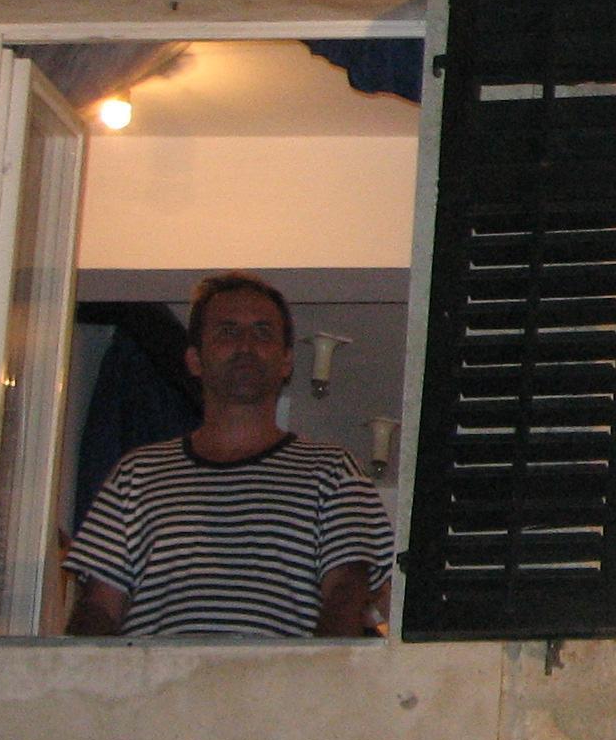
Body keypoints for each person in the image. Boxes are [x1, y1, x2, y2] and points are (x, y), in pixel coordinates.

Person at [64, 273, 393, 638]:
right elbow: (98, 606)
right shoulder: (135, 474)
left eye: (263, 332)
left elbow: (348, 592)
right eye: (227, 331)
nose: (246, 345)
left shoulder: (334, 472)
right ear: (194, 359)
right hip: (157, 676)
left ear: (286, 361)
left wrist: (318, 674)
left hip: (282, 676)